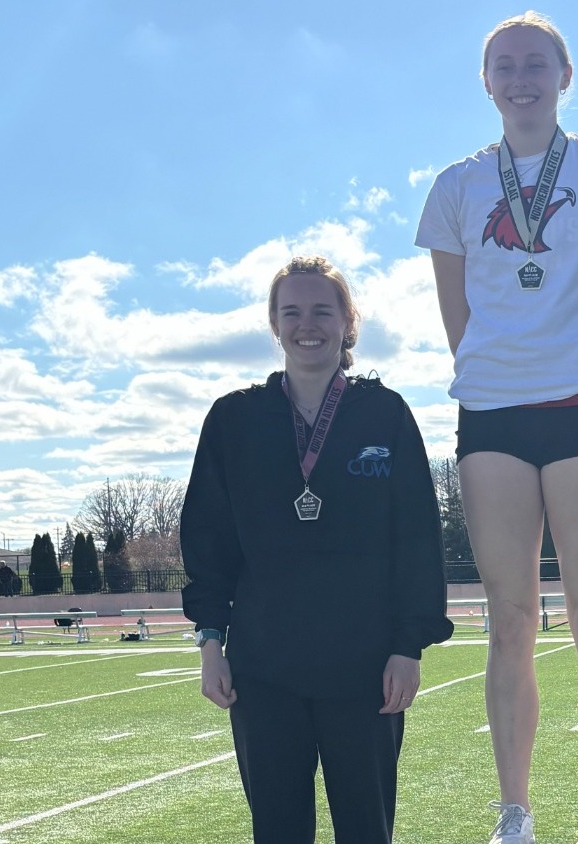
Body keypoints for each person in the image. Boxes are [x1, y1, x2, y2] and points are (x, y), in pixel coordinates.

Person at [415, 12, 578, 844]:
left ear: (565, 75)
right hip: (491, 417)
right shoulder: (455, 187)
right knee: (510, 618)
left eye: (536, 64)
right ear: (486, 82)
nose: (521, 79)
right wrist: (504, 377)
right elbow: (459, 318)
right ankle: (514, 811)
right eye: (505, 66)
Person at [180, 256, 454, 844]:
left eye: (323, 311)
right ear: (274, 325)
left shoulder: (385, 414)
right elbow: (208, 539)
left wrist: (408, 647)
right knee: (278, 831)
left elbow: (415, 537)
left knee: (366, 830)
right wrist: (210, 642)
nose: (308, 325)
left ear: (348, 322)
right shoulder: (233, 419)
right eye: (292, 312)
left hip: (366, 665)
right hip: (264, 667)